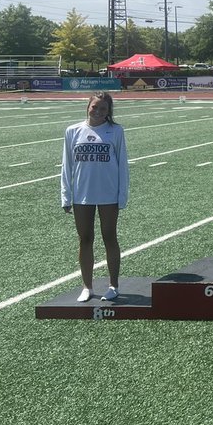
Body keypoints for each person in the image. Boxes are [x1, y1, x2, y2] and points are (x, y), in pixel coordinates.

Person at [61, 93, 129, 302]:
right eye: (95, 107)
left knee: (110, 237)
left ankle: (113, 285)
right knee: (85, 239)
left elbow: (122, 165)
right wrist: (66, 195)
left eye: (103, 109)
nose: (98, 112)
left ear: (109, 112)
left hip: (108, 194)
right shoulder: (73, 131)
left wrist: (122, 195)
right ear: (88, 107)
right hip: (82, 194)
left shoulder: (115, 131)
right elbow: (67, 165)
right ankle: (87, 286)